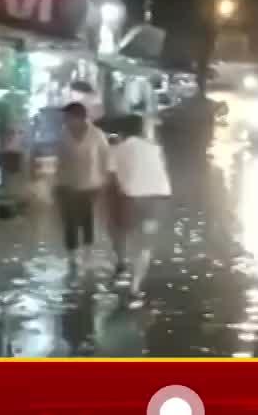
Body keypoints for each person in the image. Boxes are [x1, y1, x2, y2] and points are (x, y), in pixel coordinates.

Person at [107, 115, 172, 299]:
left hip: (132, 197)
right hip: (157, 198)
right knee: (145, 243)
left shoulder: (118, 149)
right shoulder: (154, 148)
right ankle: (135, 286)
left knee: (119, 229)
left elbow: (110, 177)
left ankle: (121, 263)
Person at [56, 102, 111, 269]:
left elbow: (106, 158)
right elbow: (61, 159)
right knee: (70, 221)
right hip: (68, 184)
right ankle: (72, 256)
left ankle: (87, 252)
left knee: (87, 219)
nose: (65, 120)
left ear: (79, 118)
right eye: (65, 118)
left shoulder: (97, 135)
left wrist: (106, 181)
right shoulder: (63, 134)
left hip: (92, 185)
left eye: (68, 117)